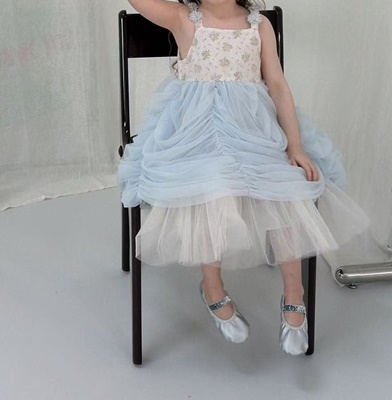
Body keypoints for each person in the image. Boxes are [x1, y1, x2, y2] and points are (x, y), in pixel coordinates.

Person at [118, 0, 371, 355]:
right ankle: (212, 287)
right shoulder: (183, 18)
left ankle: (294, 292)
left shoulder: (258, 25)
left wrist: (295, 145)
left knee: (284, 187)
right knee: (213, 185)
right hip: (197, 138)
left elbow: (277, 85)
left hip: (254, 133)